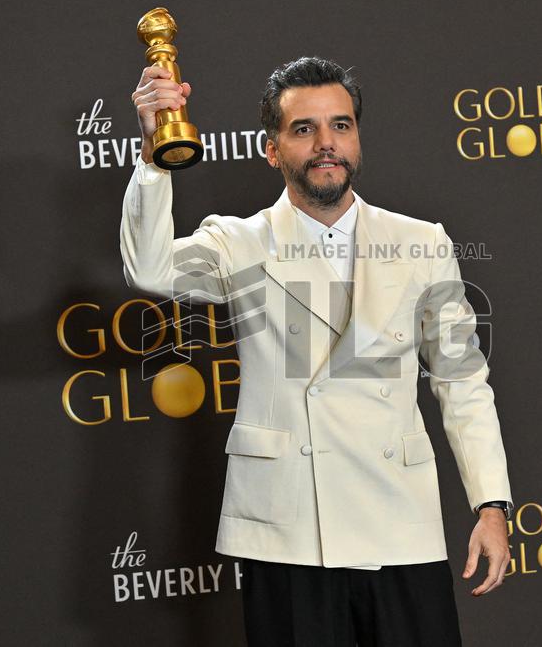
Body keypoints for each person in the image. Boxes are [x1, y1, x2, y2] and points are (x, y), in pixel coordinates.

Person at [120, 56, 514, 646]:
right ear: (273, 149)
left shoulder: (421, 242)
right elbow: (149, 268)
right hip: (289, 531)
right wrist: (155, 154)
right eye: (304, 129)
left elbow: (461, 380)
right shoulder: (239, 242)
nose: (326, 143)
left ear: (357, 138)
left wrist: (490, 504)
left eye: (341, 126)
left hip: (399, 521)